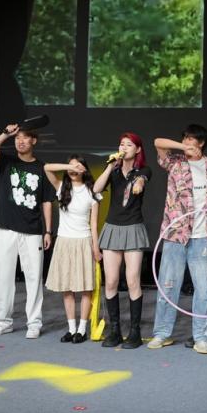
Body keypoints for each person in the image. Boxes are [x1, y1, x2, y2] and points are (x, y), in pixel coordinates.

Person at [149, 125, 207, 354]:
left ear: (202, 143)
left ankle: (202, 337)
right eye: (185, 139)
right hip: (175, 234)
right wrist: (183, 147)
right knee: (168, 285)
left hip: (201, 237)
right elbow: (157, 141)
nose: (188, 142)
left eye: (192, 140)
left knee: (202, 289)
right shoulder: (175, 162)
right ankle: (162, 333)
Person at [0, 122, 57, 338]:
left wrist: (48, 231)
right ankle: (3, 321)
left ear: (33, 141)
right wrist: (5, 134)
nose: (20, 141)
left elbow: (46, 201)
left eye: (25, 137)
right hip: (6, 229)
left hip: (32, 231)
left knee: (34, 279)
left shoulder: (42, 168)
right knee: (3, 278)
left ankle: (34, 322)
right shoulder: (7, 162)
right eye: (17, 138)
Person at [91, 132, 151, 348]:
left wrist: (139, 183)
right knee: (111, 281)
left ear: (138, 149)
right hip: (112, 228)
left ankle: (134, 332)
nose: (124, 147)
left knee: (133, 279)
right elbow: (96, 189)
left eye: (129, 144)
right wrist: (109, 166)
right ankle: (114, 330)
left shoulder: (143, 170)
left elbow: (142, 181)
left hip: (133, 228)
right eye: (121, 144)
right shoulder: (114, 171)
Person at [45, 155, 101, 343]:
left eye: (78, 166)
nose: (73, 169)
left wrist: (96, 247)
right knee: (67, 288)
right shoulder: (61, 187)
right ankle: (71, 328)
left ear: (85, 169)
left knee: (85, 287)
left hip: (83, 242)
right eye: (70, 166)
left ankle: (82, 329)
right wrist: (69, 166)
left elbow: (94, 224)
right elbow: (47, 167)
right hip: (64, 242)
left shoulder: (92, 191)